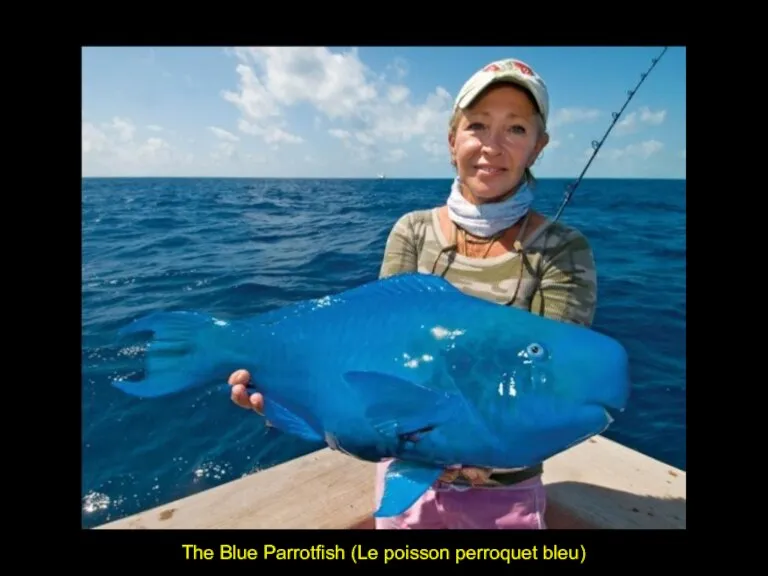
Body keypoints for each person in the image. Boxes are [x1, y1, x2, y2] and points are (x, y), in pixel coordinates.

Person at [229, 57, 597, 529]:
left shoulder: (564, 249)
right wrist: (288, 395)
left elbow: (556, 383)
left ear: (538, 146)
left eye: (517, 129)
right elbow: (373, 354)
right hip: (407, 477)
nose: (492, 145)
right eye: (477, 125)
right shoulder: (412, 232)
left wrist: (482, 454)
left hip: (506, 492)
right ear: (452, 141)